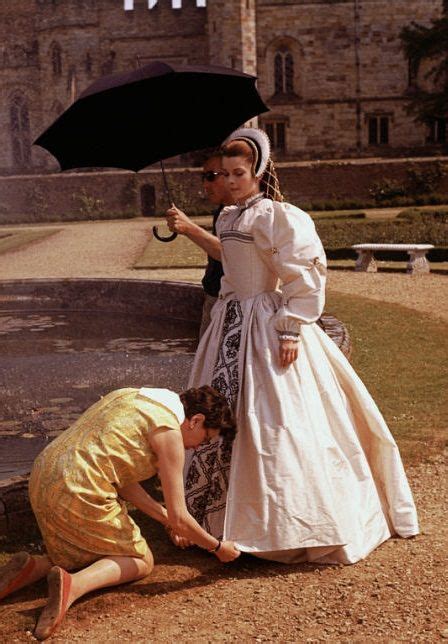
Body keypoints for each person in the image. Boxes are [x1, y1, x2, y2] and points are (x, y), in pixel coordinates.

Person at [184, 127, 419, 564]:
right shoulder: (228, 217)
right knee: (225, 413)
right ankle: (219, 519)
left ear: (258, 173)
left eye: (240, 173)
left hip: (266, 325)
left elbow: (305, 273)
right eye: (225, 174)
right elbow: (232, 273)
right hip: (231, 324)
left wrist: (290, 327)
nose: (232, 181)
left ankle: (290, 526)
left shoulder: (277, 215)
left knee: (277, 420)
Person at [0, 386, 239, 640]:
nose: (198, 448)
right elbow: (180, 516)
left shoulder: (133, 396)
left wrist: (167, 520)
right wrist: (216, 547)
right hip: (80, 487)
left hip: (44, 475)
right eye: (204, 439)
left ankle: (33, 567)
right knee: (140, 561)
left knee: (90, 548)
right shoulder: (169, 434)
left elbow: (124, 481)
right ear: (196, 420)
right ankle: (73, 586)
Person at [165, 151, 232, 337]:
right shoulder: (223, 211)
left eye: (211, 176)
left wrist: (189, 228)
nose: (205, 184)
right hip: (214, 298)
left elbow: (232, 256)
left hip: (232, 305)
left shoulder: (250, 214)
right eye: (203, 177)